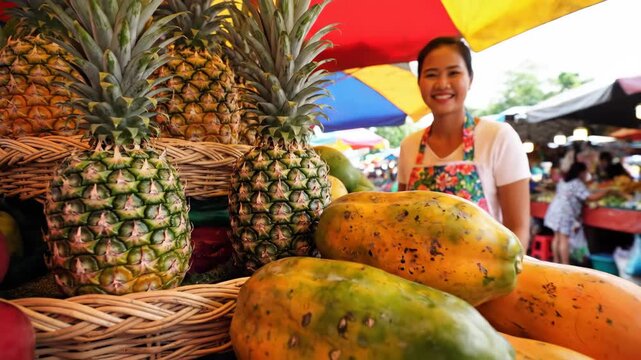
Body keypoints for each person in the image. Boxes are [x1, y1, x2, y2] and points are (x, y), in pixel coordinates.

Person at [397, 37, 531, 248]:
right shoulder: (409, 146)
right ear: (419, 82)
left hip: (485, 275)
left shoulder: (499, 137)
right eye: (431, 74)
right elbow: (399, 221)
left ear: (470, 78)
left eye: (453, 73)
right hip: (416, 278)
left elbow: (519, 228)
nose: (442, 84)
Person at [543, 162, 610, 264]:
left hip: (555, 211)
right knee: (564, 239)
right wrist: (606, 192)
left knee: (557, 237)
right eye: (585, 172)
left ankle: (556, 262)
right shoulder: (577, 183)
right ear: (581, 172)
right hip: (565, 213)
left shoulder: (563, 181)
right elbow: (590, 198)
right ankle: (565, 266)